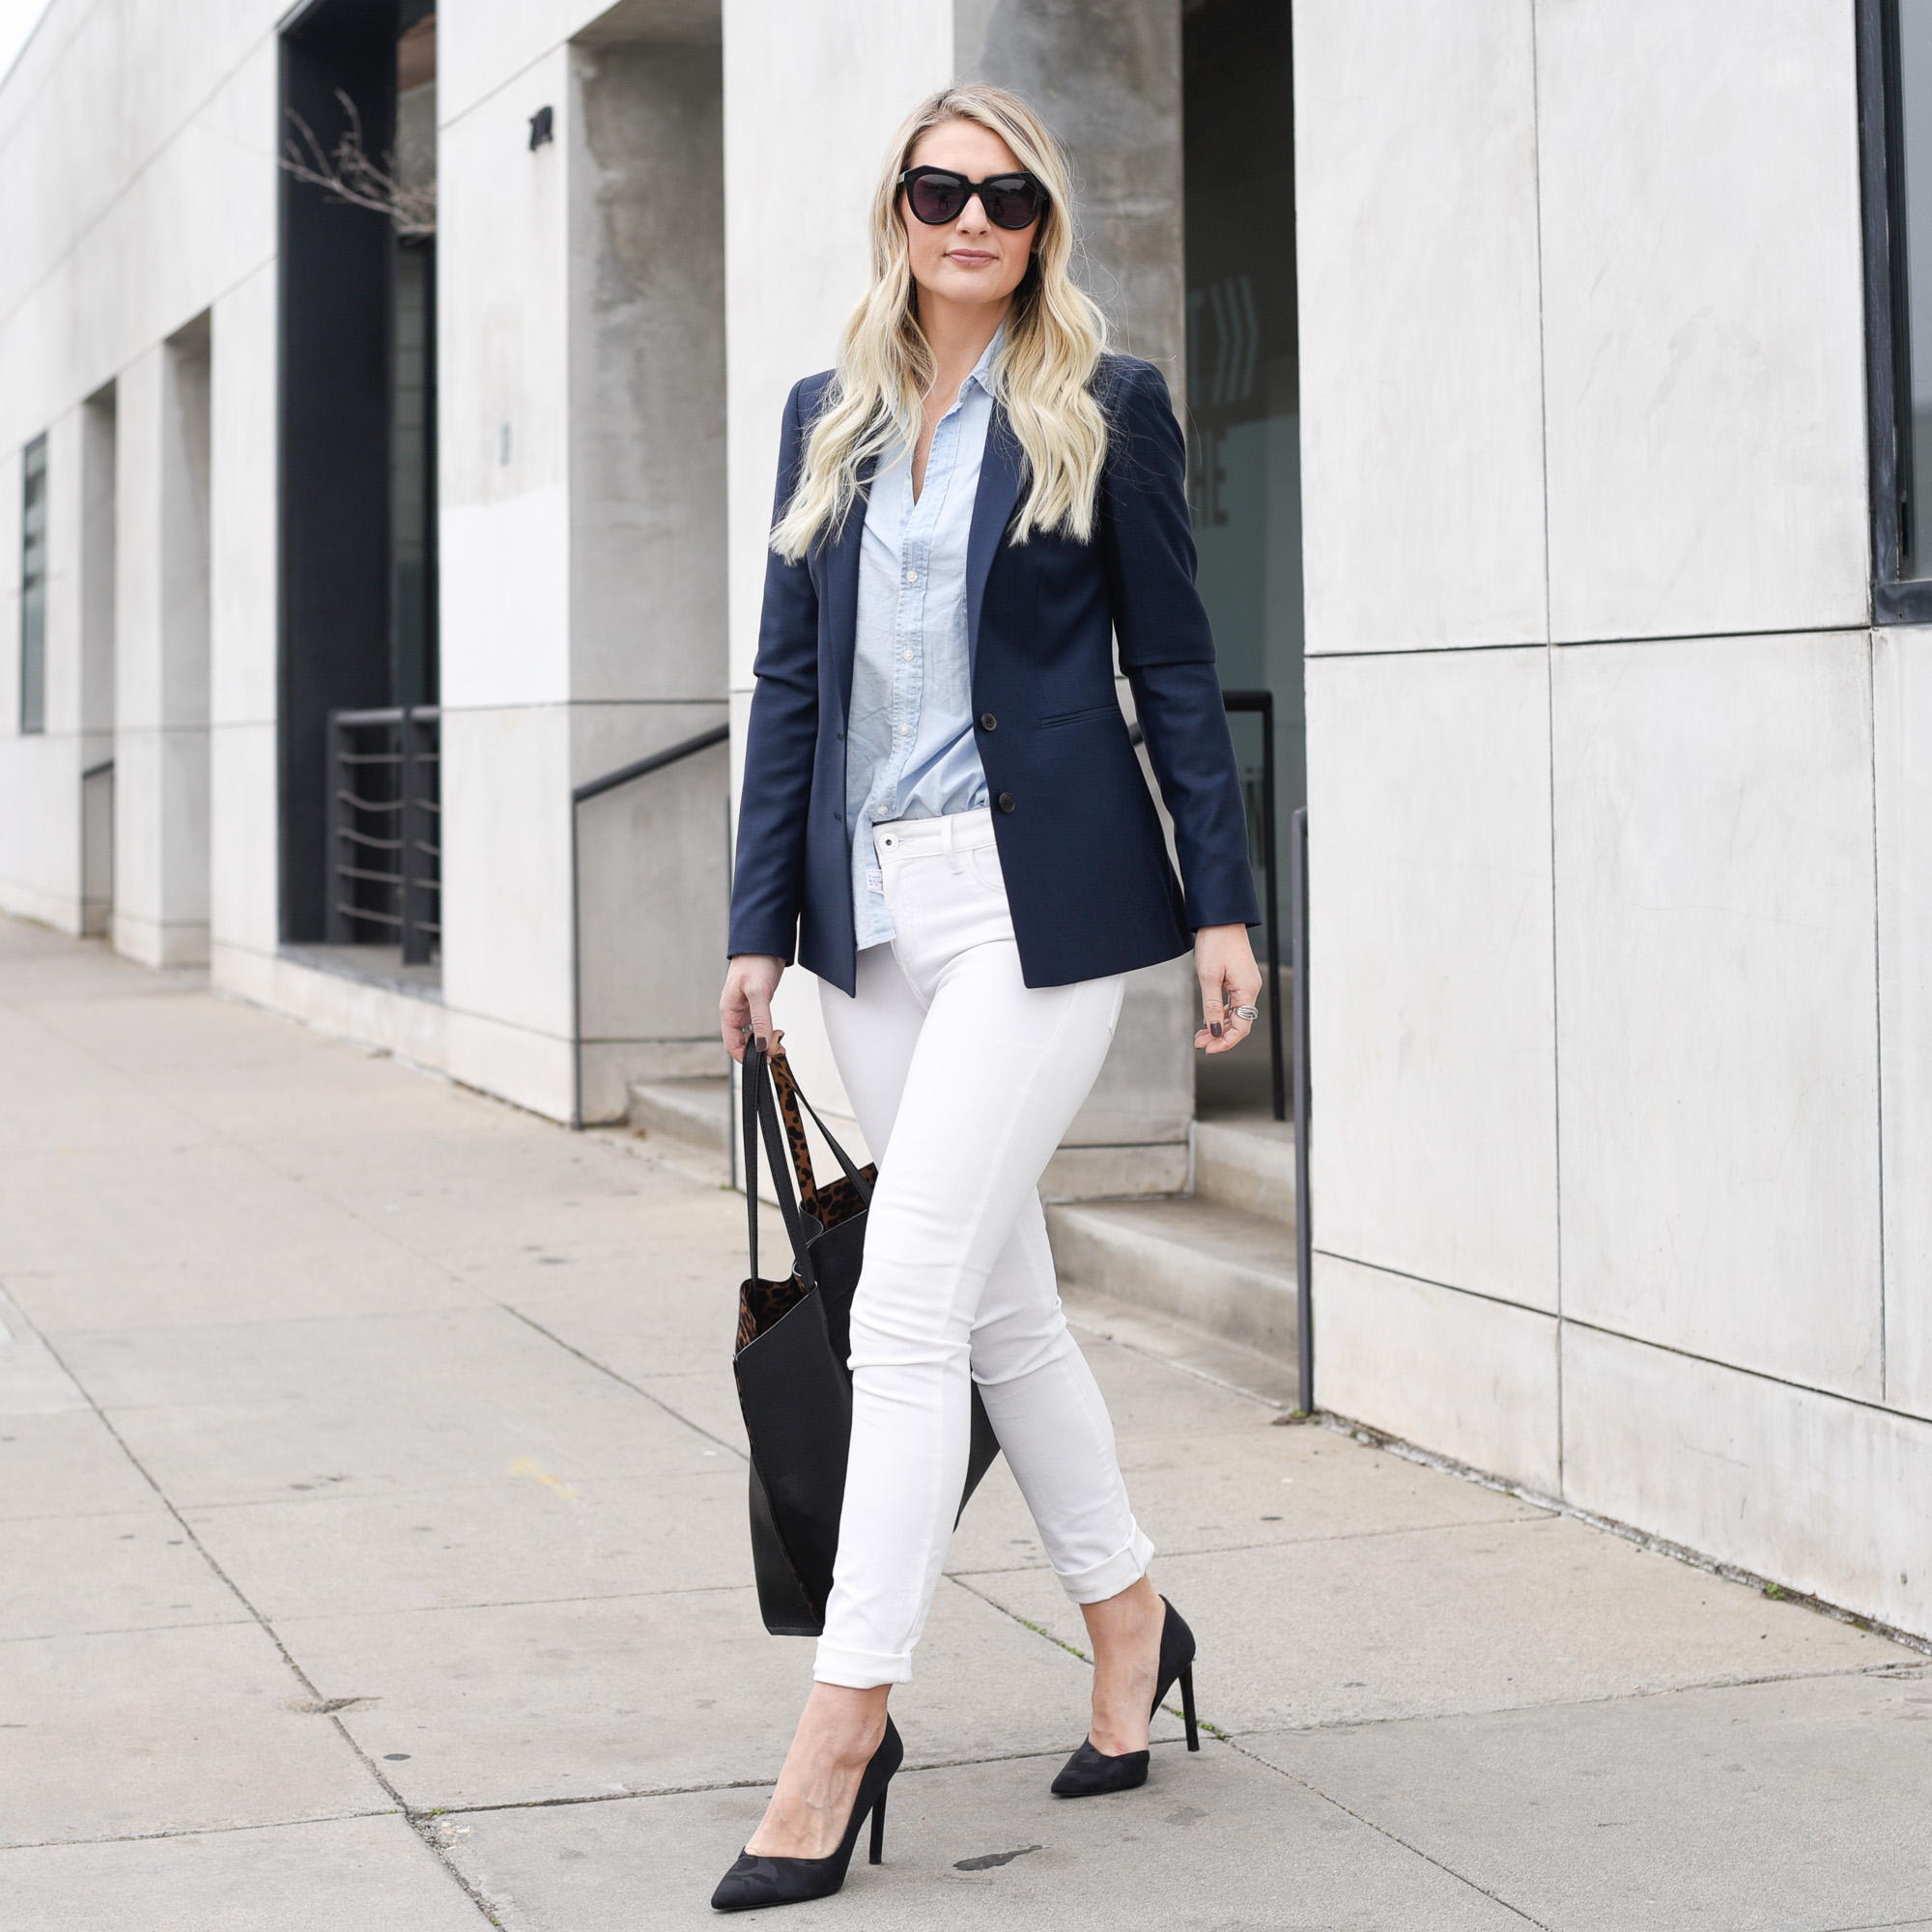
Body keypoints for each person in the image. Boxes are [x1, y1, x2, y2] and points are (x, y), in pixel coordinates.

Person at [712, 82, 1263, 1914]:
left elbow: (1175, 668)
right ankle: (1130, 1626)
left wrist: (1223, 909)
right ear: (899, 209)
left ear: (1041, 226)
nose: (972, 221)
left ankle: (839, 1734)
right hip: (864, 930)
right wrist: (753, 933)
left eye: (1006, 196)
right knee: (1004, 1317)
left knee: (910, 1318)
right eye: (941, 190)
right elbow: (790, 688)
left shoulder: (1104, 408)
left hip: (1034, 924)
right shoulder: (830, 416)